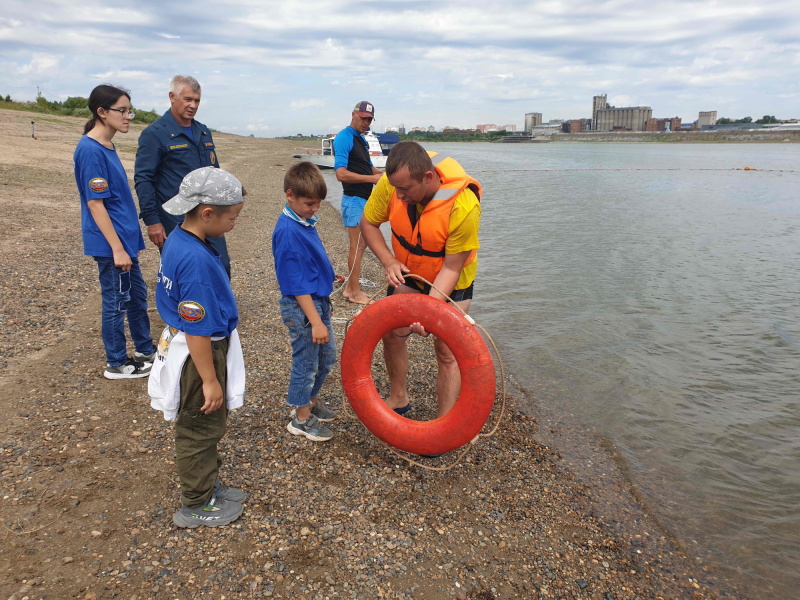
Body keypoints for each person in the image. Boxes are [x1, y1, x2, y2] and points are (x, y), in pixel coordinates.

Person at [149, 166, 247, 528]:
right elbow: (196, 329)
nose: (234, 224)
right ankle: (196, 503)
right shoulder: (194, 261)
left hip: (193, 343)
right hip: (197, 353)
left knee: (208, 424)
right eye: (232, 218)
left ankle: (206, 484)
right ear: (207, 213)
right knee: (199, 425)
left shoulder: (180, 238)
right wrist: (209, 379)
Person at [360, 141, 482, 419]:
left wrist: (428, 313)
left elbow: (452, 268)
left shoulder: (464, 205)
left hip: (452, 280)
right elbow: (368, 223)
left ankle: (444, 424)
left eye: (405, 189)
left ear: (428, 177)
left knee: (446, 351)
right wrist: (389, 261)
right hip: (410, 271)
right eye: (396, 188)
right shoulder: (392, 183)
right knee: (391, 332)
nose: (399, 195)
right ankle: (398, 397)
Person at [73, 84, 156, 380]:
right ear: (102, 112)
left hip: (124, 240)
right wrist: (117, 249)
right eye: (122, 110)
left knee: (136, 296)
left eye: (129, 110)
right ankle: (117, 363)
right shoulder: (91, 151)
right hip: (112, 245)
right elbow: (96, 205)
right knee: (116, 301)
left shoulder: (107, 145)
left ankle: (145, 351)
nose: (128, 116)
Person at [134, 75, 231, 276]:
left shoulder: (203, 132)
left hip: (208, 213)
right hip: (175, 218)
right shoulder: (155, 134)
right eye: (188, 99)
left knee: (221, 266)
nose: (193, 105)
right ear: (172, 96)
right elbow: (144, 180)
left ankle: (218, 308)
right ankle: (184, 308)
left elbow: (215, 173)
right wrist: (152, 222)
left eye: (197, 100)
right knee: (185, 270)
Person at [272, 162, 339, 442]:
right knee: (307, 361)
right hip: (303, 309)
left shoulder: (304, 221)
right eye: (310, 203)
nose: (315, 209)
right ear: (290, 195)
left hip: (318, 301)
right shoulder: (288, 232)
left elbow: (308, 263)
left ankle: (309, 401)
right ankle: (300, 418)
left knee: (327, 358)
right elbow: (296, 283)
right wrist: (315, 322)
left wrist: (328, 274)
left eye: (319, 203)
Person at [333, 101, 382, 305]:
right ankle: (353, 292)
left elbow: (369, 168)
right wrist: (373, 180)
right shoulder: (344, 137)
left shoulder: (361, 140)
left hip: (363, 199)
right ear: (353, 114)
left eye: (369, 119)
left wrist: (389, 178)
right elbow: (340, 174)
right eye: (363, 118)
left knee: (361, 245)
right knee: (357, 246)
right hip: (353, 199)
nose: (366, 122)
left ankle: (351, 289)